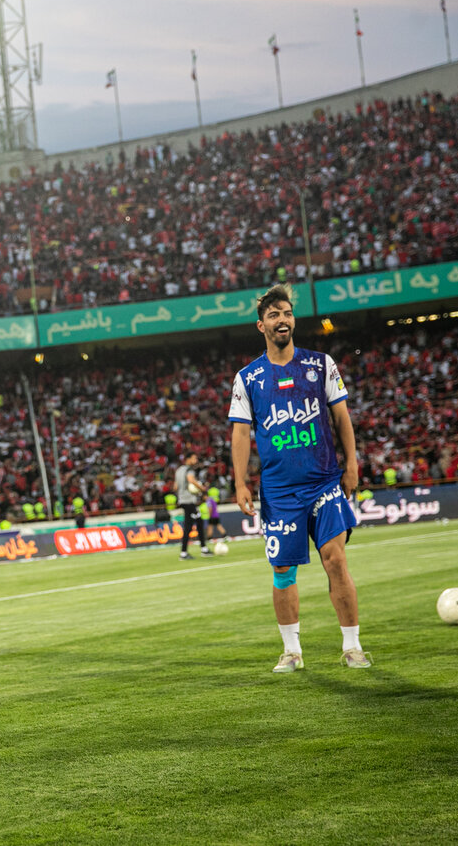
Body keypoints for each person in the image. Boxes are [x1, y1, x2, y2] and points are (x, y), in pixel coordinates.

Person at [229, 284, 369, 673]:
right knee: (282, 571)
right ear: (261, 326)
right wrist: (240, 483)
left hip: (323, 481)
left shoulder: (321, 364)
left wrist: (352, 464)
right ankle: (292, 651)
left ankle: (352, 645)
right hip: (279, 491)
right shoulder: (248, 378)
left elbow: (341, 416)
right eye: (274, 315)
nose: (282, 320)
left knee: (335, 559)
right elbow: (241, 433)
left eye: (287, 313)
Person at [174, 452, 211, 559]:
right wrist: (202, 489)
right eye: (194, 458)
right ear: (188, 459)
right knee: (190, 526)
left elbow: (175, 487)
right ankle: (185, 553)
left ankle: (202, 549)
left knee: (197, 523)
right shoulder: (189, 470)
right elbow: (191, 480)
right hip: (189, 501)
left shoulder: (178, 471)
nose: (196, 461)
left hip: (183, 500)